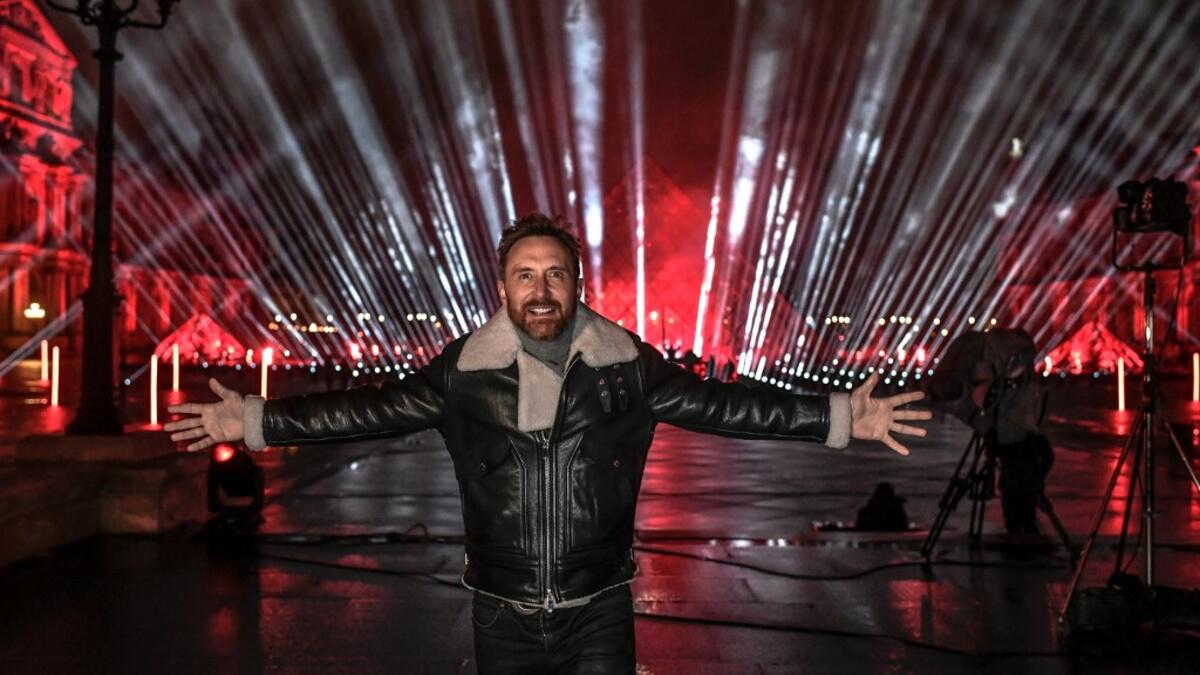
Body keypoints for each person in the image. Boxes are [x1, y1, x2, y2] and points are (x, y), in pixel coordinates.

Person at [165, 213, 931, 674]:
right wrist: (257, 420)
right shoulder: (462, 372)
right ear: (502, 288)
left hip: (599, 607)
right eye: (524, 274)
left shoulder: (626, 366)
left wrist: (837, 416)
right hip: (499, 611)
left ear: (577, 286)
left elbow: (726, 405)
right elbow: (369, 411)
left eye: (555, 274)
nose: (540, 289)